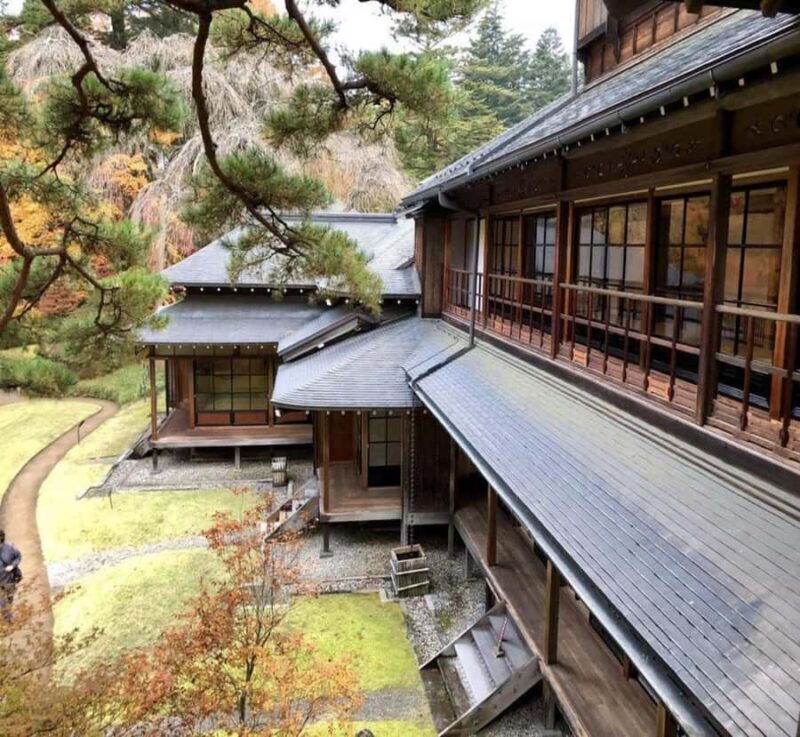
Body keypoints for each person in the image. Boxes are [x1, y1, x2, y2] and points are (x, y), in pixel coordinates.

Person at [0, 528, 22, 623]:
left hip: (8, 579)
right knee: (2, 602)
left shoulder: (10, 547)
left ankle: (7, 616)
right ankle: (7, 620)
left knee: (9, 599)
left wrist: (12, 566)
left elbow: (18, 556)